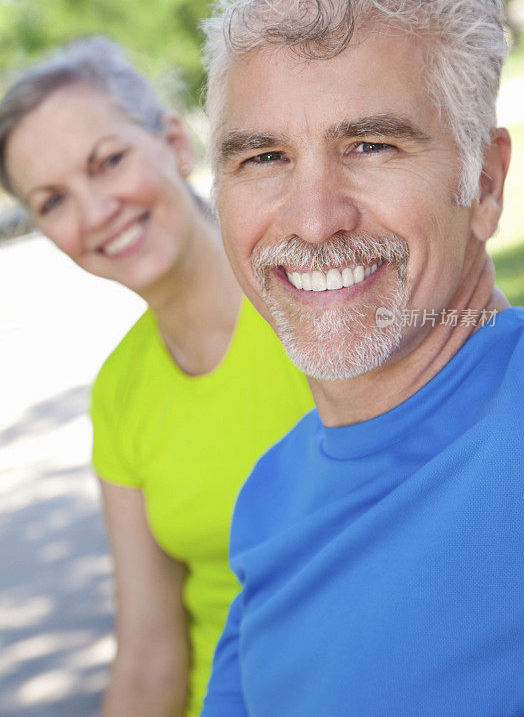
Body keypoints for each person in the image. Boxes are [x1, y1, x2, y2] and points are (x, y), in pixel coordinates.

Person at [199, 0, 524, 715]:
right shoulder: (270, 494)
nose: (313, 221)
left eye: (371, 145)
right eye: (263, 157)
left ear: (482, 183)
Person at [0, 37, 313, 717]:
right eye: (52, 201)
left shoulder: (319, 297)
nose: (94, 211)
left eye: (107, 162)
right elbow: (148, 656)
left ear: (174, 141)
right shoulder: (120, 392)